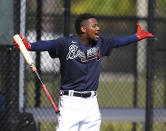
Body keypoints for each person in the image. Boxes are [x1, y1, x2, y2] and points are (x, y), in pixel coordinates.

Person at [13, 13, 154, 131]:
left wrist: (136, 36)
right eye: (94, 26)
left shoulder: (100, 43)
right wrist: (29, 46)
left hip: (91, 103)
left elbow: (116, 41)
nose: (98, 28)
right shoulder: (66, 43)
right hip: (70, 103)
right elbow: (49, 44)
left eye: (98, 25)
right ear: (83, 28)